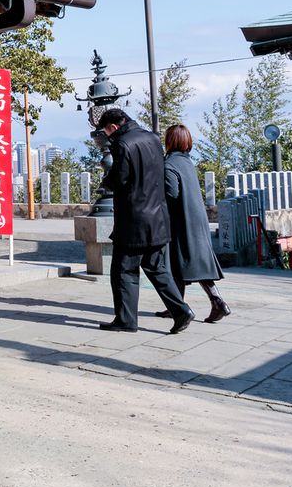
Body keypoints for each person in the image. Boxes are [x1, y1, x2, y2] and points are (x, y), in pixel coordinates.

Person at [95, 107, 194, 334]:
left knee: (123, 271)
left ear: (113, 127)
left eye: (106, 132)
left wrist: (106, 180)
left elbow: (120, 178)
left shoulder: (122, 144)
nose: (107, 136)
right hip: (158, 217)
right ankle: (181, 311)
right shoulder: (153, 138)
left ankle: (126, 320)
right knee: (158, 269)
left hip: (134, 220)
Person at [158, 124, 232, 323]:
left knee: (182, 261)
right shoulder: (187, 162)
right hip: (197, 218)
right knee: (190, 262)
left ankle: (216, 302)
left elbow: (172, 194)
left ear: (169, 141)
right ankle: (178, 306)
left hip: (181, 220)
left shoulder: (169, 164)